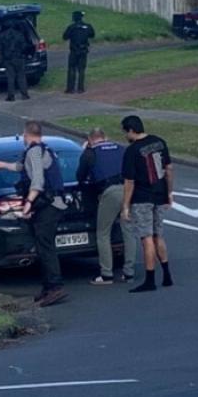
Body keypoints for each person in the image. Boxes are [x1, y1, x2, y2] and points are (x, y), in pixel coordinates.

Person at [0, 121, 69, 306]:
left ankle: (55, 286)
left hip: (48, 205)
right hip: (52, 204)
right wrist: (4, 165)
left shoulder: (33, 151)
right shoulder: (44, 149)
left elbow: (37, 181)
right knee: (41, 245)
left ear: (26, 135)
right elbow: (23, 167)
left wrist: (28, 203)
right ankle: (48, 287)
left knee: (45, 247)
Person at [120, 115, 175, 293]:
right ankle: (167, 274)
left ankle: (150, 279)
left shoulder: (132, 151)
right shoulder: (159, 142)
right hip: (159, 193)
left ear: (130, 130)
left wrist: (125, 206)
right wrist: (169, 192)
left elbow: (130, 181)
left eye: (125, 132)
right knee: (159, 234)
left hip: (142, 197)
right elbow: (169, 169)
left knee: (147, 237)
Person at [78, 127, 129, 285]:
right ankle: (129, 272)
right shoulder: (121, 148)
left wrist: (84, 152)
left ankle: (106, 274)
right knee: (128, 231)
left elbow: (80, 176)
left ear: (90, 140)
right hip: (128, 189)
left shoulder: (90, 153)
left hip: (110, 192)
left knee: (103, 233)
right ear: (105, 137)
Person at [62, 11, 95, 94]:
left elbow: (65, 37)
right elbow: (92, 35)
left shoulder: (71, 27)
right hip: (83, 50)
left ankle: (70, 89)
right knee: (81, 70)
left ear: (74, 18)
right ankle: (80, 88)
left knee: (72, 69)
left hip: (74, 51)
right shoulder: (88, 26)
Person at [0, 23, 31, 102]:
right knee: (21, 77)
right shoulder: (19, 35)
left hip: (8, 59)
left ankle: (11, 96)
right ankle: (24, 95)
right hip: (19, 58)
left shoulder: (2, 36)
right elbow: (24, 46)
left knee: (10, 78)